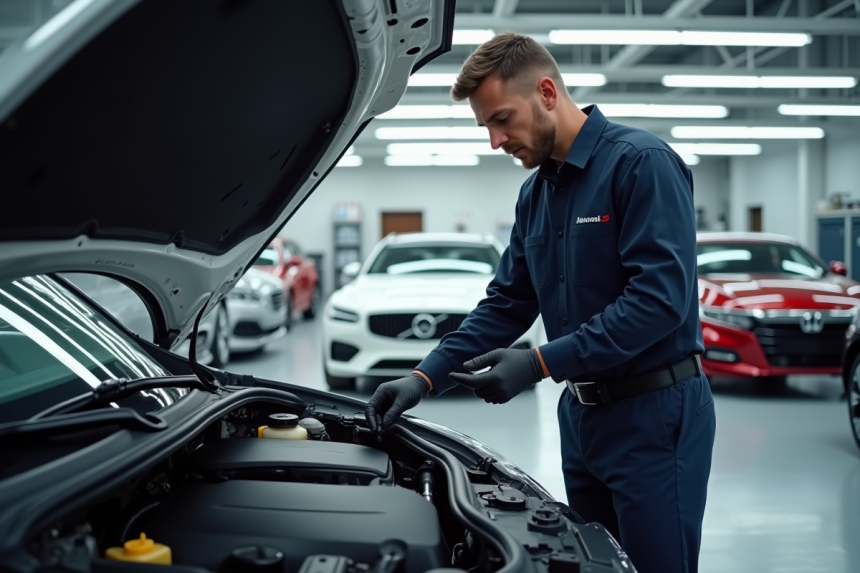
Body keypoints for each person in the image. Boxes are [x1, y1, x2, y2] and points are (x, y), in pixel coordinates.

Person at [365, 32, 716, 573]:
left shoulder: (641, 164)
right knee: (594, 563)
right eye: (486, 127)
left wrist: (538, 363)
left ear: (547, 93)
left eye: (502, 119)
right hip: (581, 416)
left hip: (655, 415)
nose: (495, 141)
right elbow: (507, 303)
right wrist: (424, 377)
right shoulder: (535, 195)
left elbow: (658, 303)